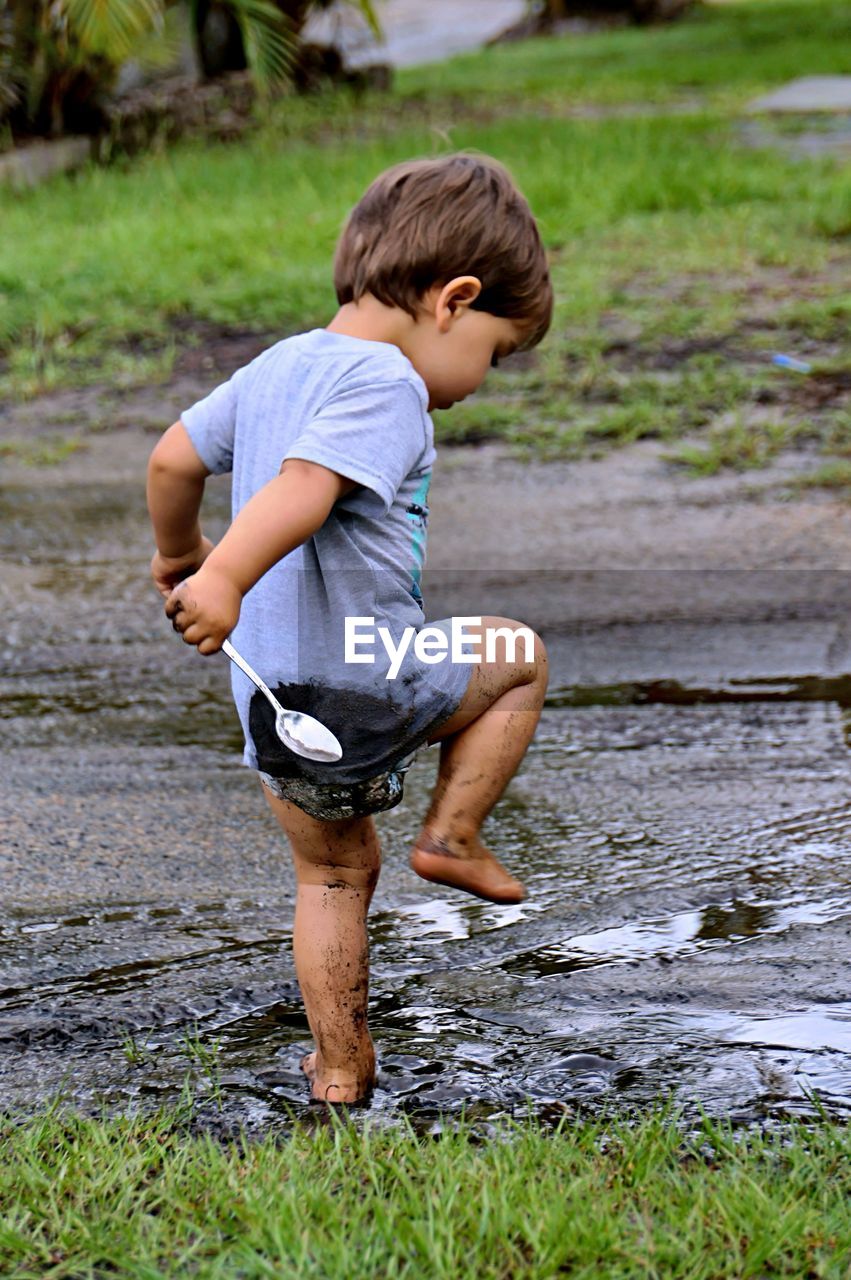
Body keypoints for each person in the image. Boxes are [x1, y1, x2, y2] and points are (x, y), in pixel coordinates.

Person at [146, 152, 553, 1104]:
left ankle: (338, 1068)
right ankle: (454, 832)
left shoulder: (274, 367)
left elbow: (172, 459)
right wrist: (226, 578)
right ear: (453, 300)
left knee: (331, 877)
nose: (479, 381)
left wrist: (181, 558)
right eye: (494, 352)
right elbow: (304, 489)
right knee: (518, 656)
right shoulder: (384, 385)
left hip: (276, 698)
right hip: (371, 671)